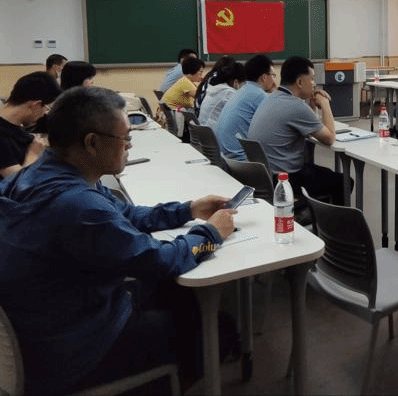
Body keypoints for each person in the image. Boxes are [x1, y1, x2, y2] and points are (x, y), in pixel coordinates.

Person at [0, 86, 236, 394]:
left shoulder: (43, 173)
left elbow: (125, 214)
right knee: (218, 330)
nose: (129, 145)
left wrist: (188, 209)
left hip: (50, 322)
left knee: (178, 294)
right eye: (125, 138)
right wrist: (211, 234)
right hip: (73, 351)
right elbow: (159, 260)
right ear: (92, 143)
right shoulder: (78, 205)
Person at [248, 56, 347, 209]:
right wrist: (325, 103)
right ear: (300, 82)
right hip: (285, 180)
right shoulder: (295, 106)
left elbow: (307, 126)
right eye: (312, 79)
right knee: (344, 182)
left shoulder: (272, 98)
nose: (314, 84)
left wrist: (311, 107)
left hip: (266, 177)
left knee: (325, 173)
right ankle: (330, 221)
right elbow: (329, 138)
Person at [215, 54, 276, 160]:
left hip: (224, 156)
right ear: (264, 77)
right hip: (240, 159)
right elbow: (272, 130)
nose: (274, 80)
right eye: (273, 75)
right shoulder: (260, 95)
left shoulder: (242, 90)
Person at [0, 72, 61, 178]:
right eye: (46, 107)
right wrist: (33, 155)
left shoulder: (13, 127)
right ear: (36, 104)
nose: (46, 112)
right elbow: (19, 182)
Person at [198, 59, 246, 129]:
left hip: (204, 130)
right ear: (236, 81)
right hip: (213, 131)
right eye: (243, 83)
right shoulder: (228, 92)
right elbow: (240, 115)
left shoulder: (215, 88)